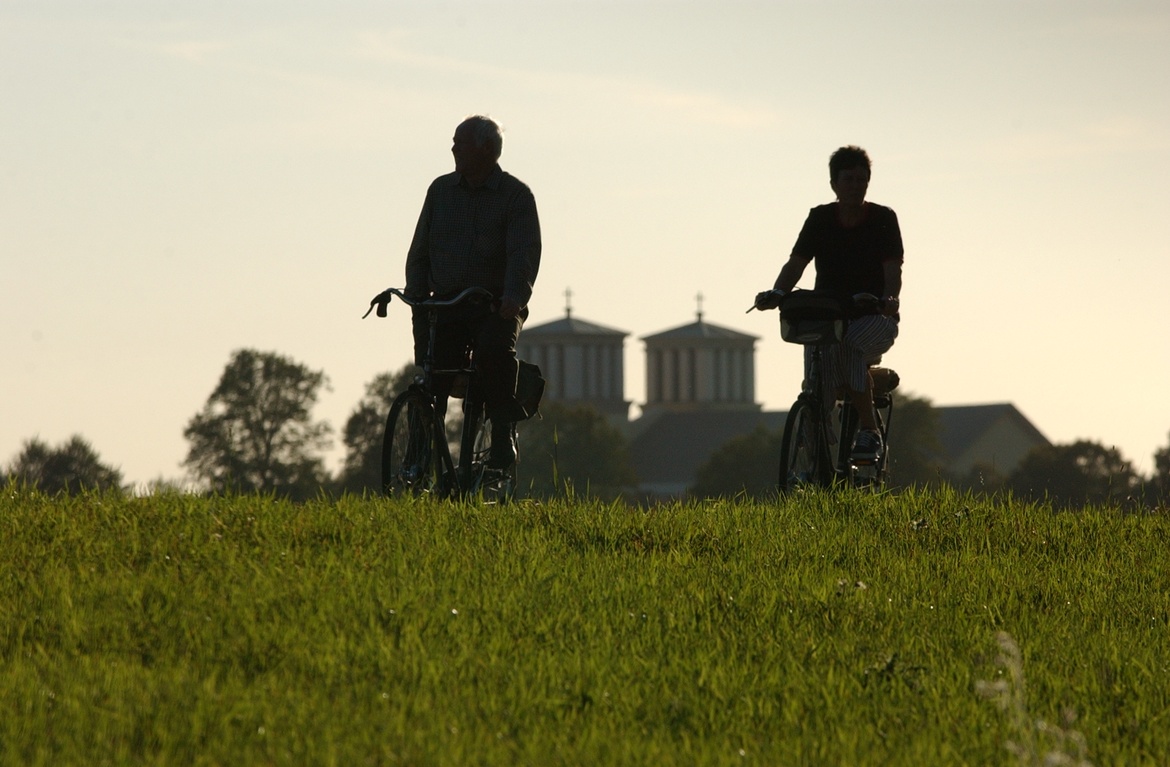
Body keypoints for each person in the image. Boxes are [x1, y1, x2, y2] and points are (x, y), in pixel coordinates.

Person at [404, 115, 542, 469]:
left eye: (460, 143)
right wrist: (416, 296)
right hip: (448, 304)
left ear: (486, 150)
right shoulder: (440, 191)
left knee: (494, 352)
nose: (453, 148)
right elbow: (420, 250)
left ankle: (501, 434)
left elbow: (522, 254)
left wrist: (513, 296)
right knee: (434, 372)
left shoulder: (515, 197)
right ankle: (420, 450)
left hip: (493, 306)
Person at [755, 145, 903, 460]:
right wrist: (777, 292)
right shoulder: (820, 218)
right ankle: (815, 447)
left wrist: (889, 300)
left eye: (861, 180)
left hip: (873, 315)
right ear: (834, 184)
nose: (855, 186)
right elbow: (796, 263)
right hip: (829, 314)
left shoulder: (883, 219)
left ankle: (869, 432)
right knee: (818, 379)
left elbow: (893, 269)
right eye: (847, 179)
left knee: (848, 345)